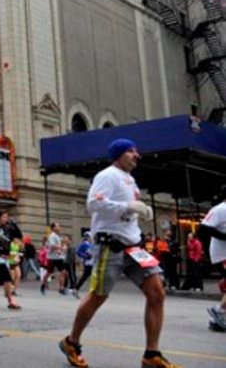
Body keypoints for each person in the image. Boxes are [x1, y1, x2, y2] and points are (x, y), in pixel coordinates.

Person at [59, 139, 181, 368]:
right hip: (110, 246)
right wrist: (127, 207)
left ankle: (151, 354)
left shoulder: (130, 180)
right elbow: (93, 205)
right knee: (98, 296)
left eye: (136, 151)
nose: (137, 155)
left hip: (134, 247)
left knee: (157, 293)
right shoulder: (107, 175)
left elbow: (127, 209)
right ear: (118, 154)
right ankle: (71, 342)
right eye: (131, 151)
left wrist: (141, 211)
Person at [200, 184, 226, 331]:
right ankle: (219, 310)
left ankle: (216, 321)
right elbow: (204, 228)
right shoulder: (220, 209)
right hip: (222, 254)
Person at [40, 222, 68, 295]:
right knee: (49, 272)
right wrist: (61, 247)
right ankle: (43, 285)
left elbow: (57, 246)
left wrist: (63, 247)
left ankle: (61, 288)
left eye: (59, 226)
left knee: (63, 272)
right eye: (58, 226)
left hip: (59, 257)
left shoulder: (57, 236)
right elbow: (52, 246)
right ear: (53, 228)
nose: (59, 228)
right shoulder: (52, 236)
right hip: (52, 257)